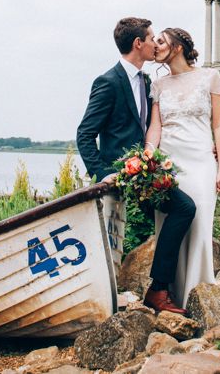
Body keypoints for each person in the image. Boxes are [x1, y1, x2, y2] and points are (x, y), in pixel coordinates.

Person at [76, 17, 196, 315]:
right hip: (123, 176)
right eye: (152, 37)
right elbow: (85, 134)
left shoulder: (145, 81)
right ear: (137, 44)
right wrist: (106, 174)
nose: (155, 42)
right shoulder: (108, 82)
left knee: (182, 209)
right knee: (181, 209)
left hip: (146, 171)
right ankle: (150, 292)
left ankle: (158, 289)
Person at [144, 27, 220, 308]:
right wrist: (148, 156)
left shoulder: (209, 77)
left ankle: (198, 295)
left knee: (200, 224)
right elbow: (156, 126)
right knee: (171, 224)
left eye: (160, 42)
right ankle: (167, 294)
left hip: (201, 160)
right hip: (170, 164)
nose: (155, 46)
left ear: (177, 47)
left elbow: (219, 123)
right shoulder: (158, 85)